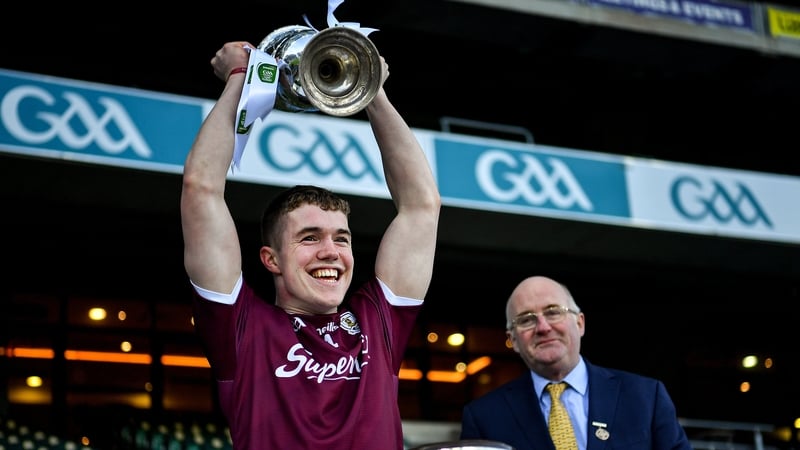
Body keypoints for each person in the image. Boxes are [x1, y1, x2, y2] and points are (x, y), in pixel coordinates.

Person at [180, 41, 441, 449]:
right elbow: (201, 190)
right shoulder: (242, 328)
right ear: (271, 259)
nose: (330, 252)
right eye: (309, 238)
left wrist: (372, 92)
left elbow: (422, 206)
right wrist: (237, 80)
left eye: (341, 238)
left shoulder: (378, 321)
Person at [460, 275, 691, 450]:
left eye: (553, 312)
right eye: (526, 319)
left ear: (580, 323)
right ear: (513, 340)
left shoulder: (646, 397)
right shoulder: (484, 417)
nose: (543, 327)